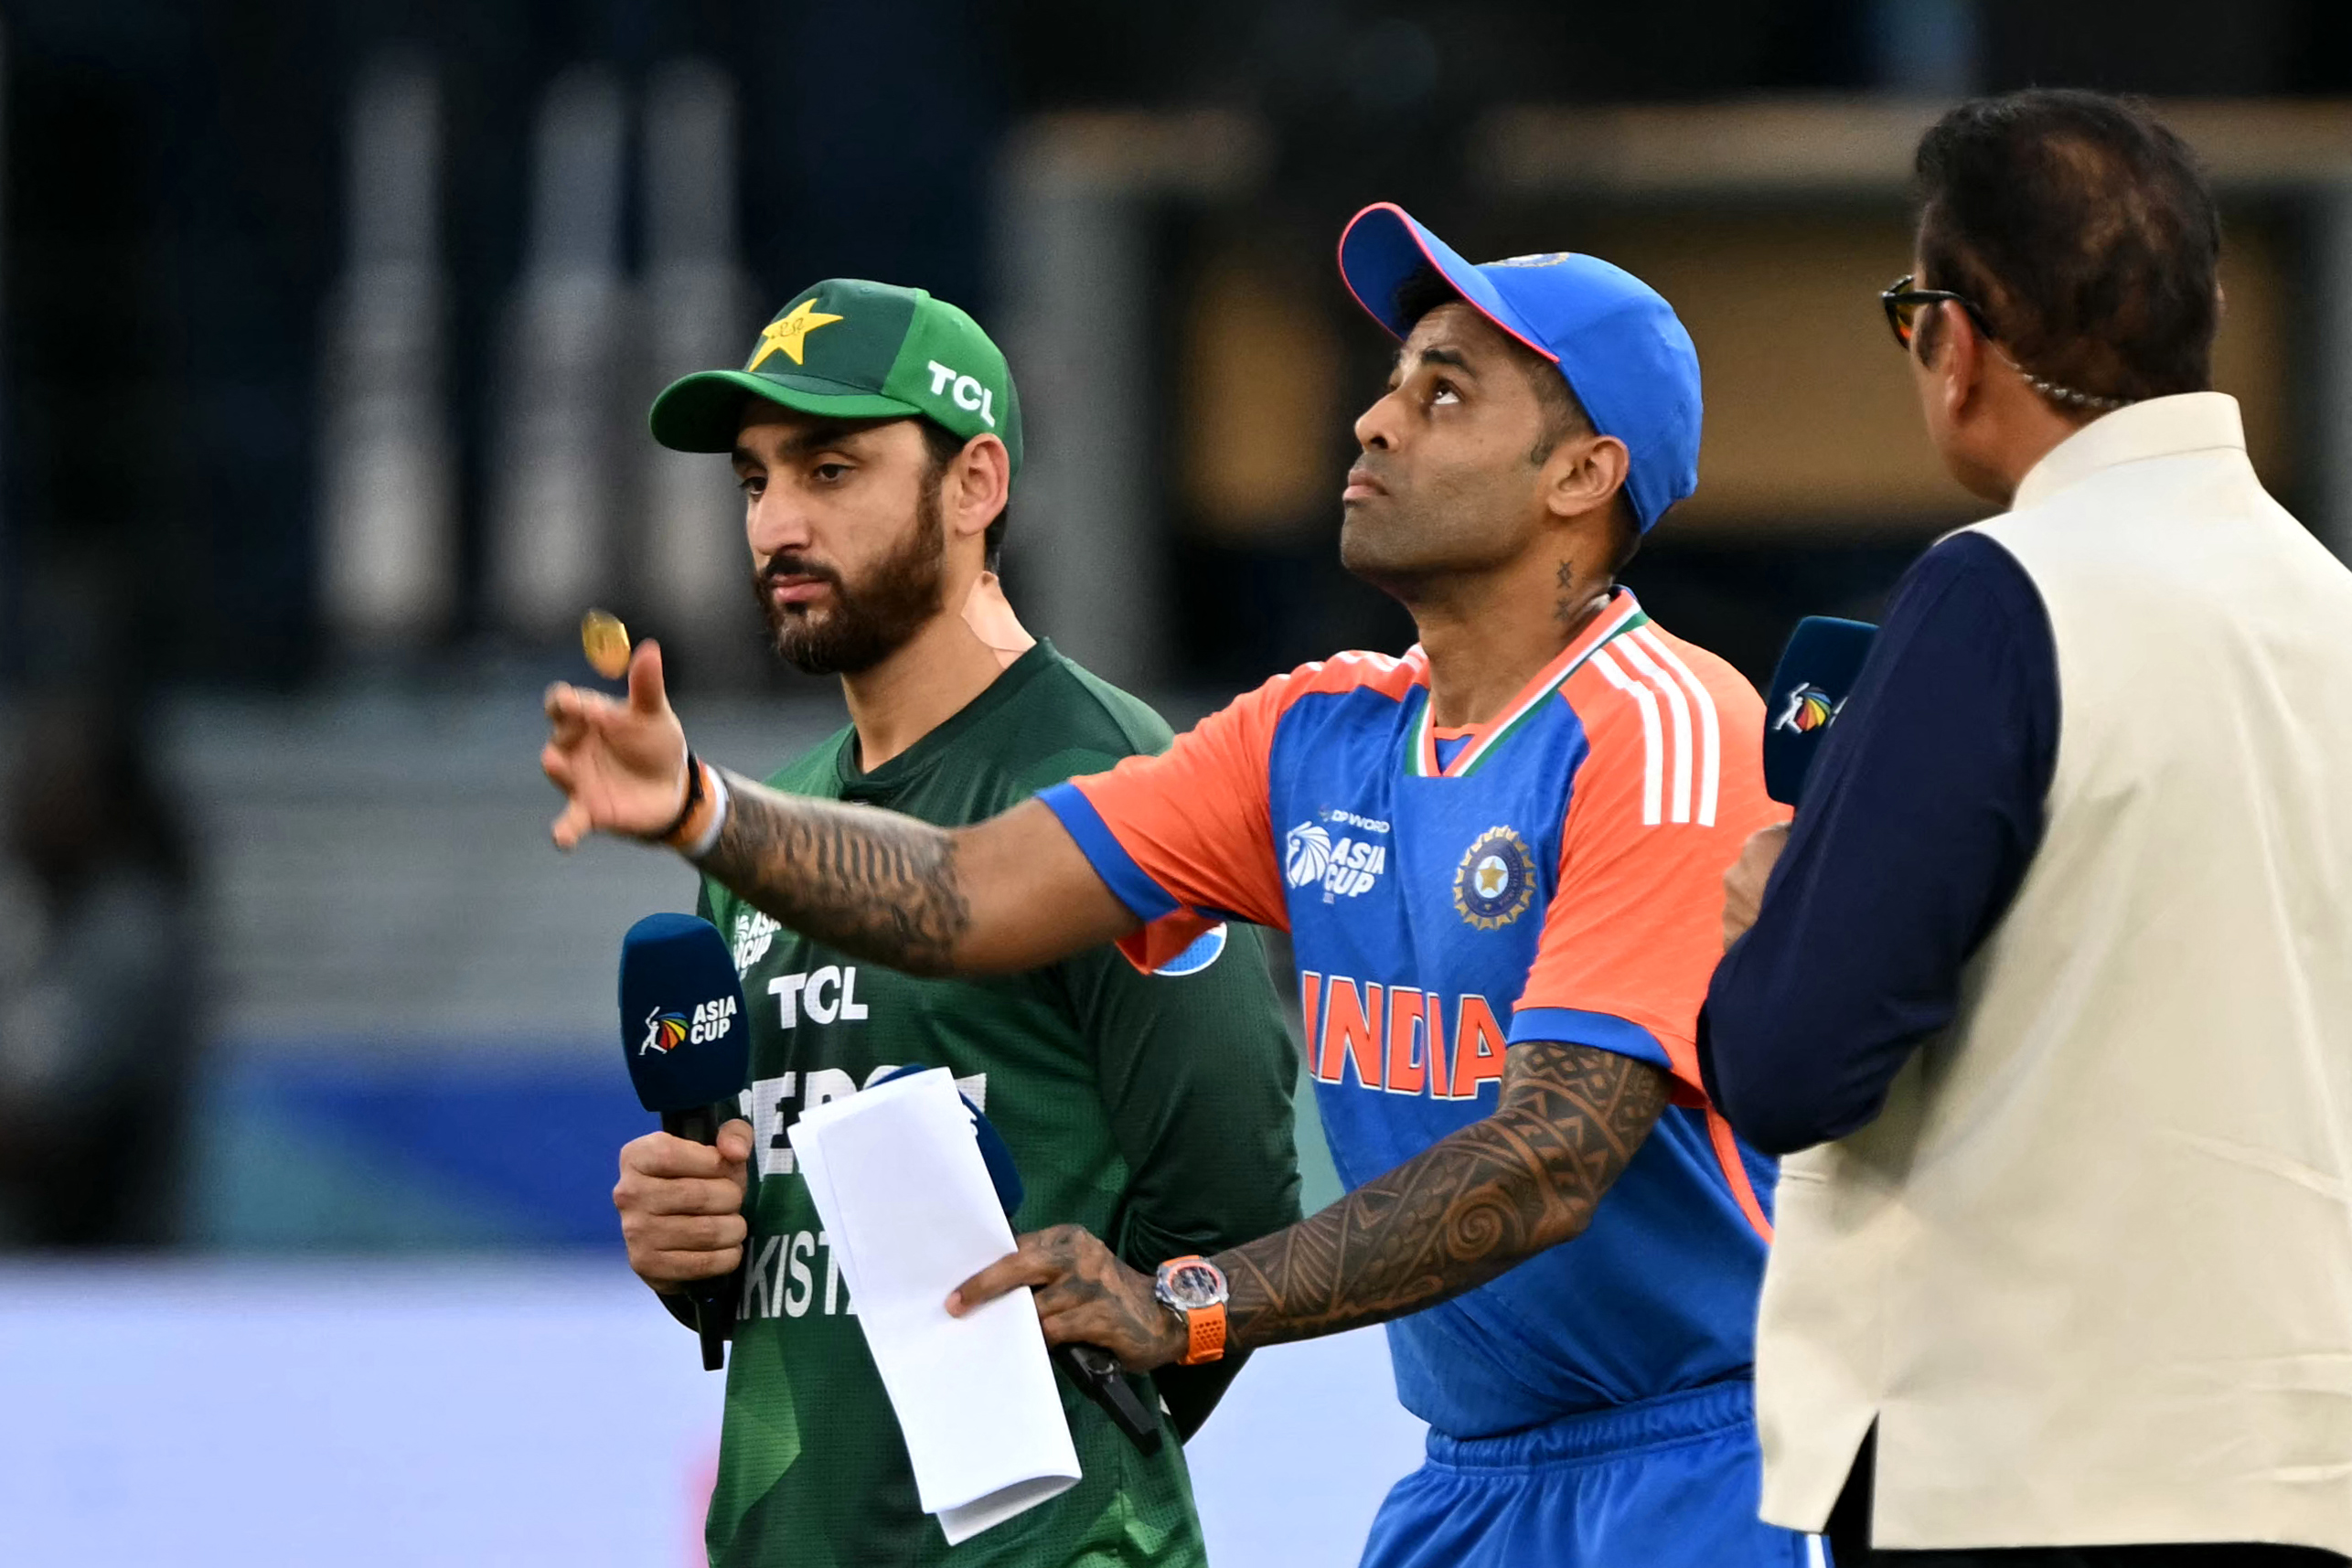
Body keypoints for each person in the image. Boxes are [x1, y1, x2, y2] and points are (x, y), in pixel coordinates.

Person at [548, 210, 1815, 1568]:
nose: (1374, 422)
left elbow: (1552, 1156)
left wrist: (1193, 1303)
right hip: (1466, 1478)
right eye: (1391, 381)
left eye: (1442, 391)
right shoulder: (1316, 732)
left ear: (1583, 472)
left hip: (1697, 1462)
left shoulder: (1663, 725)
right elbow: (973, 892)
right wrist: (704, 807)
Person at [1703, 91, 2352, 1567]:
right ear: (2208, 313)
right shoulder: (2335, 614)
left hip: (2019, 1464)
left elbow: (1795, 1063)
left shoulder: (2000, 594)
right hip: (2302, 1467)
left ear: (1957, 334)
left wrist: (1769, 920)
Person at [601, 278, 1305, 1568]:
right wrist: (691, 1246)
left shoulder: (1110, 781)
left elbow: (1233, 1203)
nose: (777, 524)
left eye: (830, 468)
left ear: (975, 485)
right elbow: (783, 1228)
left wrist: (1081, 1459)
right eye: (755, 482)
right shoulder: (772, 824)